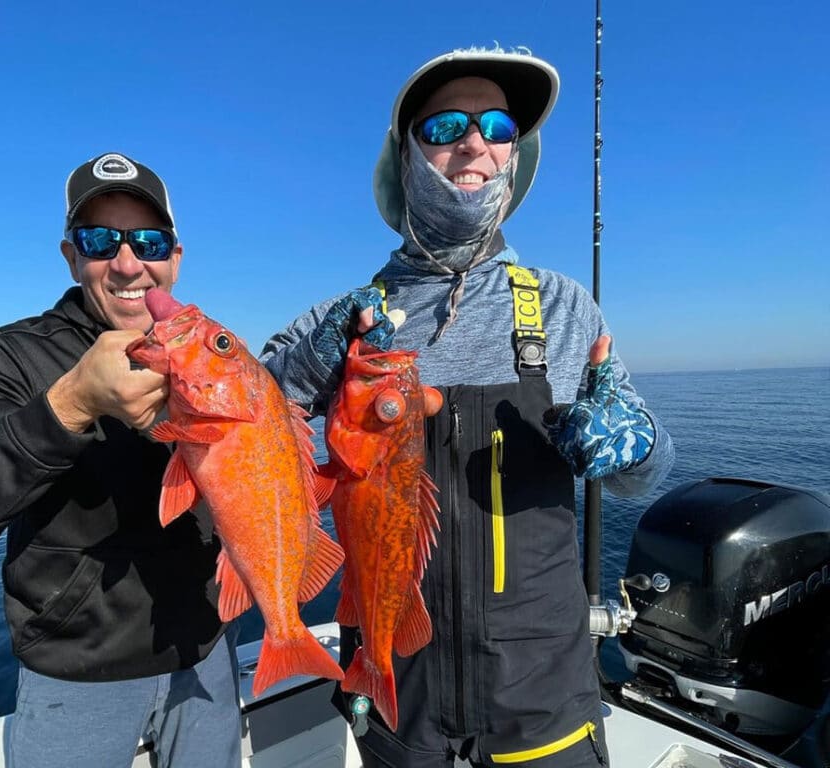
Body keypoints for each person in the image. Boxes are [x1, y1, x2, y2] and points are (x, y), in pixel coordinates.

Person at [260, 47, 674, 767]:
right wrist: (309, 362)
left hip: (543, 703)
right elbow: (242, 427)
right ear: (407, 155)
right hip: (399, 699)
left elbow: (650, 472)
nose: (474, 143)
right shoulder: (342, 322)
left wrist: (633, 442)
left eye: (498, 127)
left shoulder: (561, 304)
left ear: (518, 156)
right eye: (447, 125)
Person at [0, 152, 242, 768]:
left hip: (206, 651)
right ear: (71, 256)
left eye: (149, 241)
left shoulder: (211, 355)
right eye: (101, 239)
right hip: (78, 674)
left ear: (176, 257)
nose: (129, 262)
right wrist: (70, 405)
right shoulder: (7, 357)